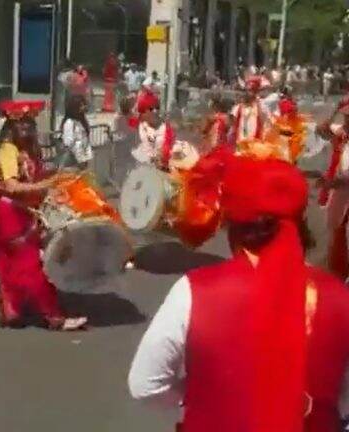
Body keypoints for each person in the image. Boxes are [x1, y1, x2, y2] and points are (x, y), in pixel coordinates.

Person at [129, 155, 349, 432]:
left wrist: (204, 395)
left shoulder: (195, 291)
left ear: (233, 226)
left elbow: (145, 385)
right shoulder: (339, 297)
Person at [0, 100, 87, 331]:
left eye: (28, 123)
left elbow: (33, 181)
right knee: (32, 266)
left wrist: (56, 182)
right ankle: (54, 317)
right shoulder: (7, 151)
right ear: (10, 127)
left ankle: (7, 313)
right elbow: (11, 187)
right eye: (19, 123)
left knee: (10, 265)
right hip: (8, 213)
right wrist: (47, 184)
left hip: (23, 213)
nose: (24, 127)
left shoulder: (30, 151)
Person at [316, 96, 349, 280]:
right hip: (340, 195)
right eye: (346, 116)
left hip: (342, 187)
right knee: (336, 234)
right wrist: (336, 109)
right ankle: (338, 275)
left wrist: (332, 182)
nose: (348, 120)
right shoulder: (342, 132)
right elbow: (321, 129)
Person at [131, 90, 176, 169]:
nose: (155, 111)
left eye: (157, 108)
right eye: (151, 109)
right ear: (143, 113)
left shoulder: (167, 129)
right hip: (141, 170)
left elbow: (171, 152)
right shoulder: (139, 126)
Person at [230, 76, 270, 149]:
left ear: (256, 92)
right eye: (246, 90)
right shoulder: (238, 107)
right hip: (240, 144)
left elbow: (266, 123)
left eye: (251, 90)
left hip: (255, 145)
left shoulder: (261, 107)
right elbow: (232, 124)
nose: (247, 93)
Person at [58, 94, 94, 170]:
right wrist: (80, 158)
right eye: (81, 105)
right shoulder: (69, 122)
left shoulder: (81, 121)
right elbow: (69, 143)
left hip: (83, 159)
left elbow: (85, 140)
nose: (84, 107)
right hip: (74, 162)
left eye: (84, 104)